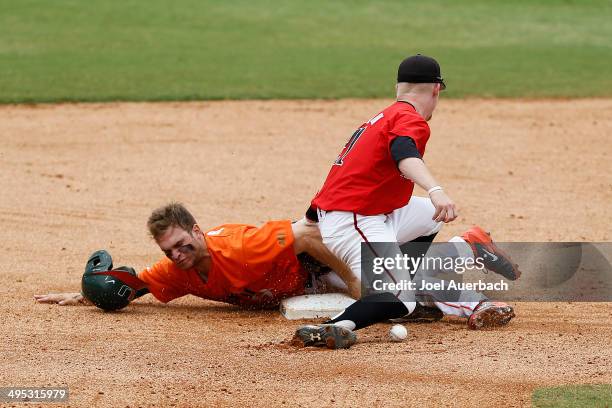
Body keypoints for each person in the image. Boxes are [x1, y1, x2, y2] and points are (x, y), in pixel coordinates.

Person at [295, 54, 520, 348]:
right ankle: (333, 327)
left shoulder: (382, 118)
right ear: (436, 89)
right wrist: (435, 189)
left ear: (398, 87)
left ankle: (466, 248)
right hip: (355, 221)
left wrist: (310, 219)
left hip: (368, 212)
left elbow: (340, 176)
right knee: (401, 301)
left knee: (428, 215)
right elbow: (404, 154)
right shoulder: (410, 119)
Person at [34, 202, 358, 308]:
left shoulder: (239, 247)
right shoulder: (177, 270)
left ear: (197, 232)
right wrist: (89, 294)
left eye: (181, 244)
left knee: (394, 285)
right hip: (304, 282)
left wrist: (351, 280)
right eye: (168, 250)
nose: (177, 255)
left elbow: (307, 235)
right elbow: (135, 285)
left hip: (318, 258)